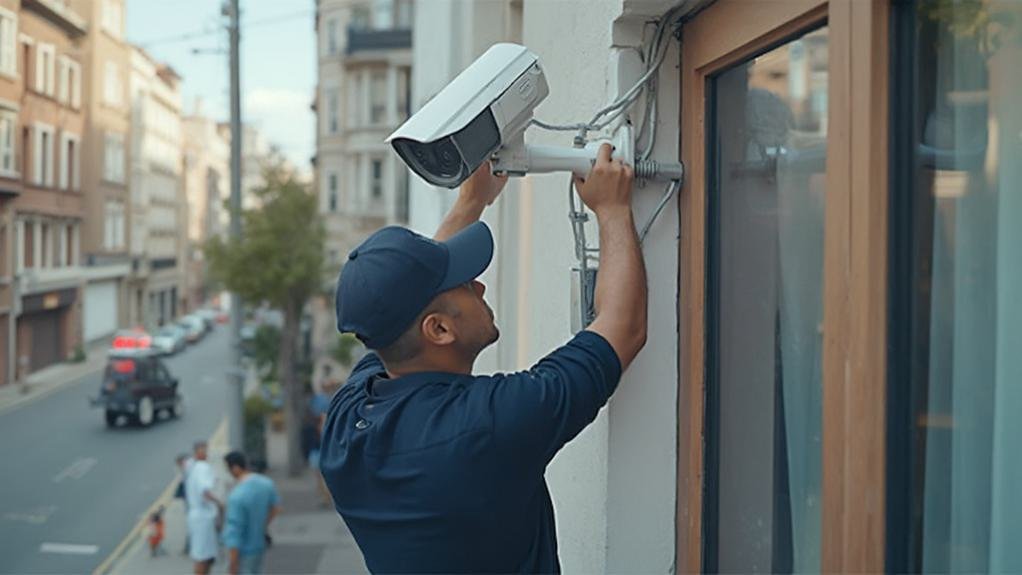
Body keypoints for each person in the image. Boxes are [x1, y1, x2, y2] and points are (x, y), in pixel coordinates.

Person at [321, 147, 647, 573]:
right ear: (439, 330)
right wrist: (613, 208)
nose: (478, 286)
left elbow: (398, 305)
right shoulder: (488, 424)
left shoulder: (347, 423)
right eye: (463, 283)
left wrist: (471, 201)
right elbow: (623, 328)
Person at [221, 451, 281, 575]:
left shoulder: (236, 496)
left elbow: (234, 533)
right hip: (259, 544)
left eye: (228, 469)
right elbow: (276, 508)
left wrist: (232, 567)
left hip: (242, 551)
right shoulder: (266, 483)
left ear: (235, 468)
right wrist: (263, 525)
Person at [185, 440, 223, 575]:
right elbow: (205, 490)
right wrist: (219, 503)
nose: (206, 454)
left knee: (207, 557)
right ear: (197, 453)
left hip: (199, 516)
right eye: (204, 451)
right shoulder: (202, 467)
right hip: (203, 518)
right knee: (202, 557)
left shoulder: (194, 467)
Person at [173, 453, 192, 555]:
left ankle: (188, 547)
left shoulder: (189, 470)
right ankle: (188, 546)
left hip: (191, 503)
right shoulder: (185, 470)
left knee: (190, 524)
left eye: (180, 464)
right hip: (189, 501)